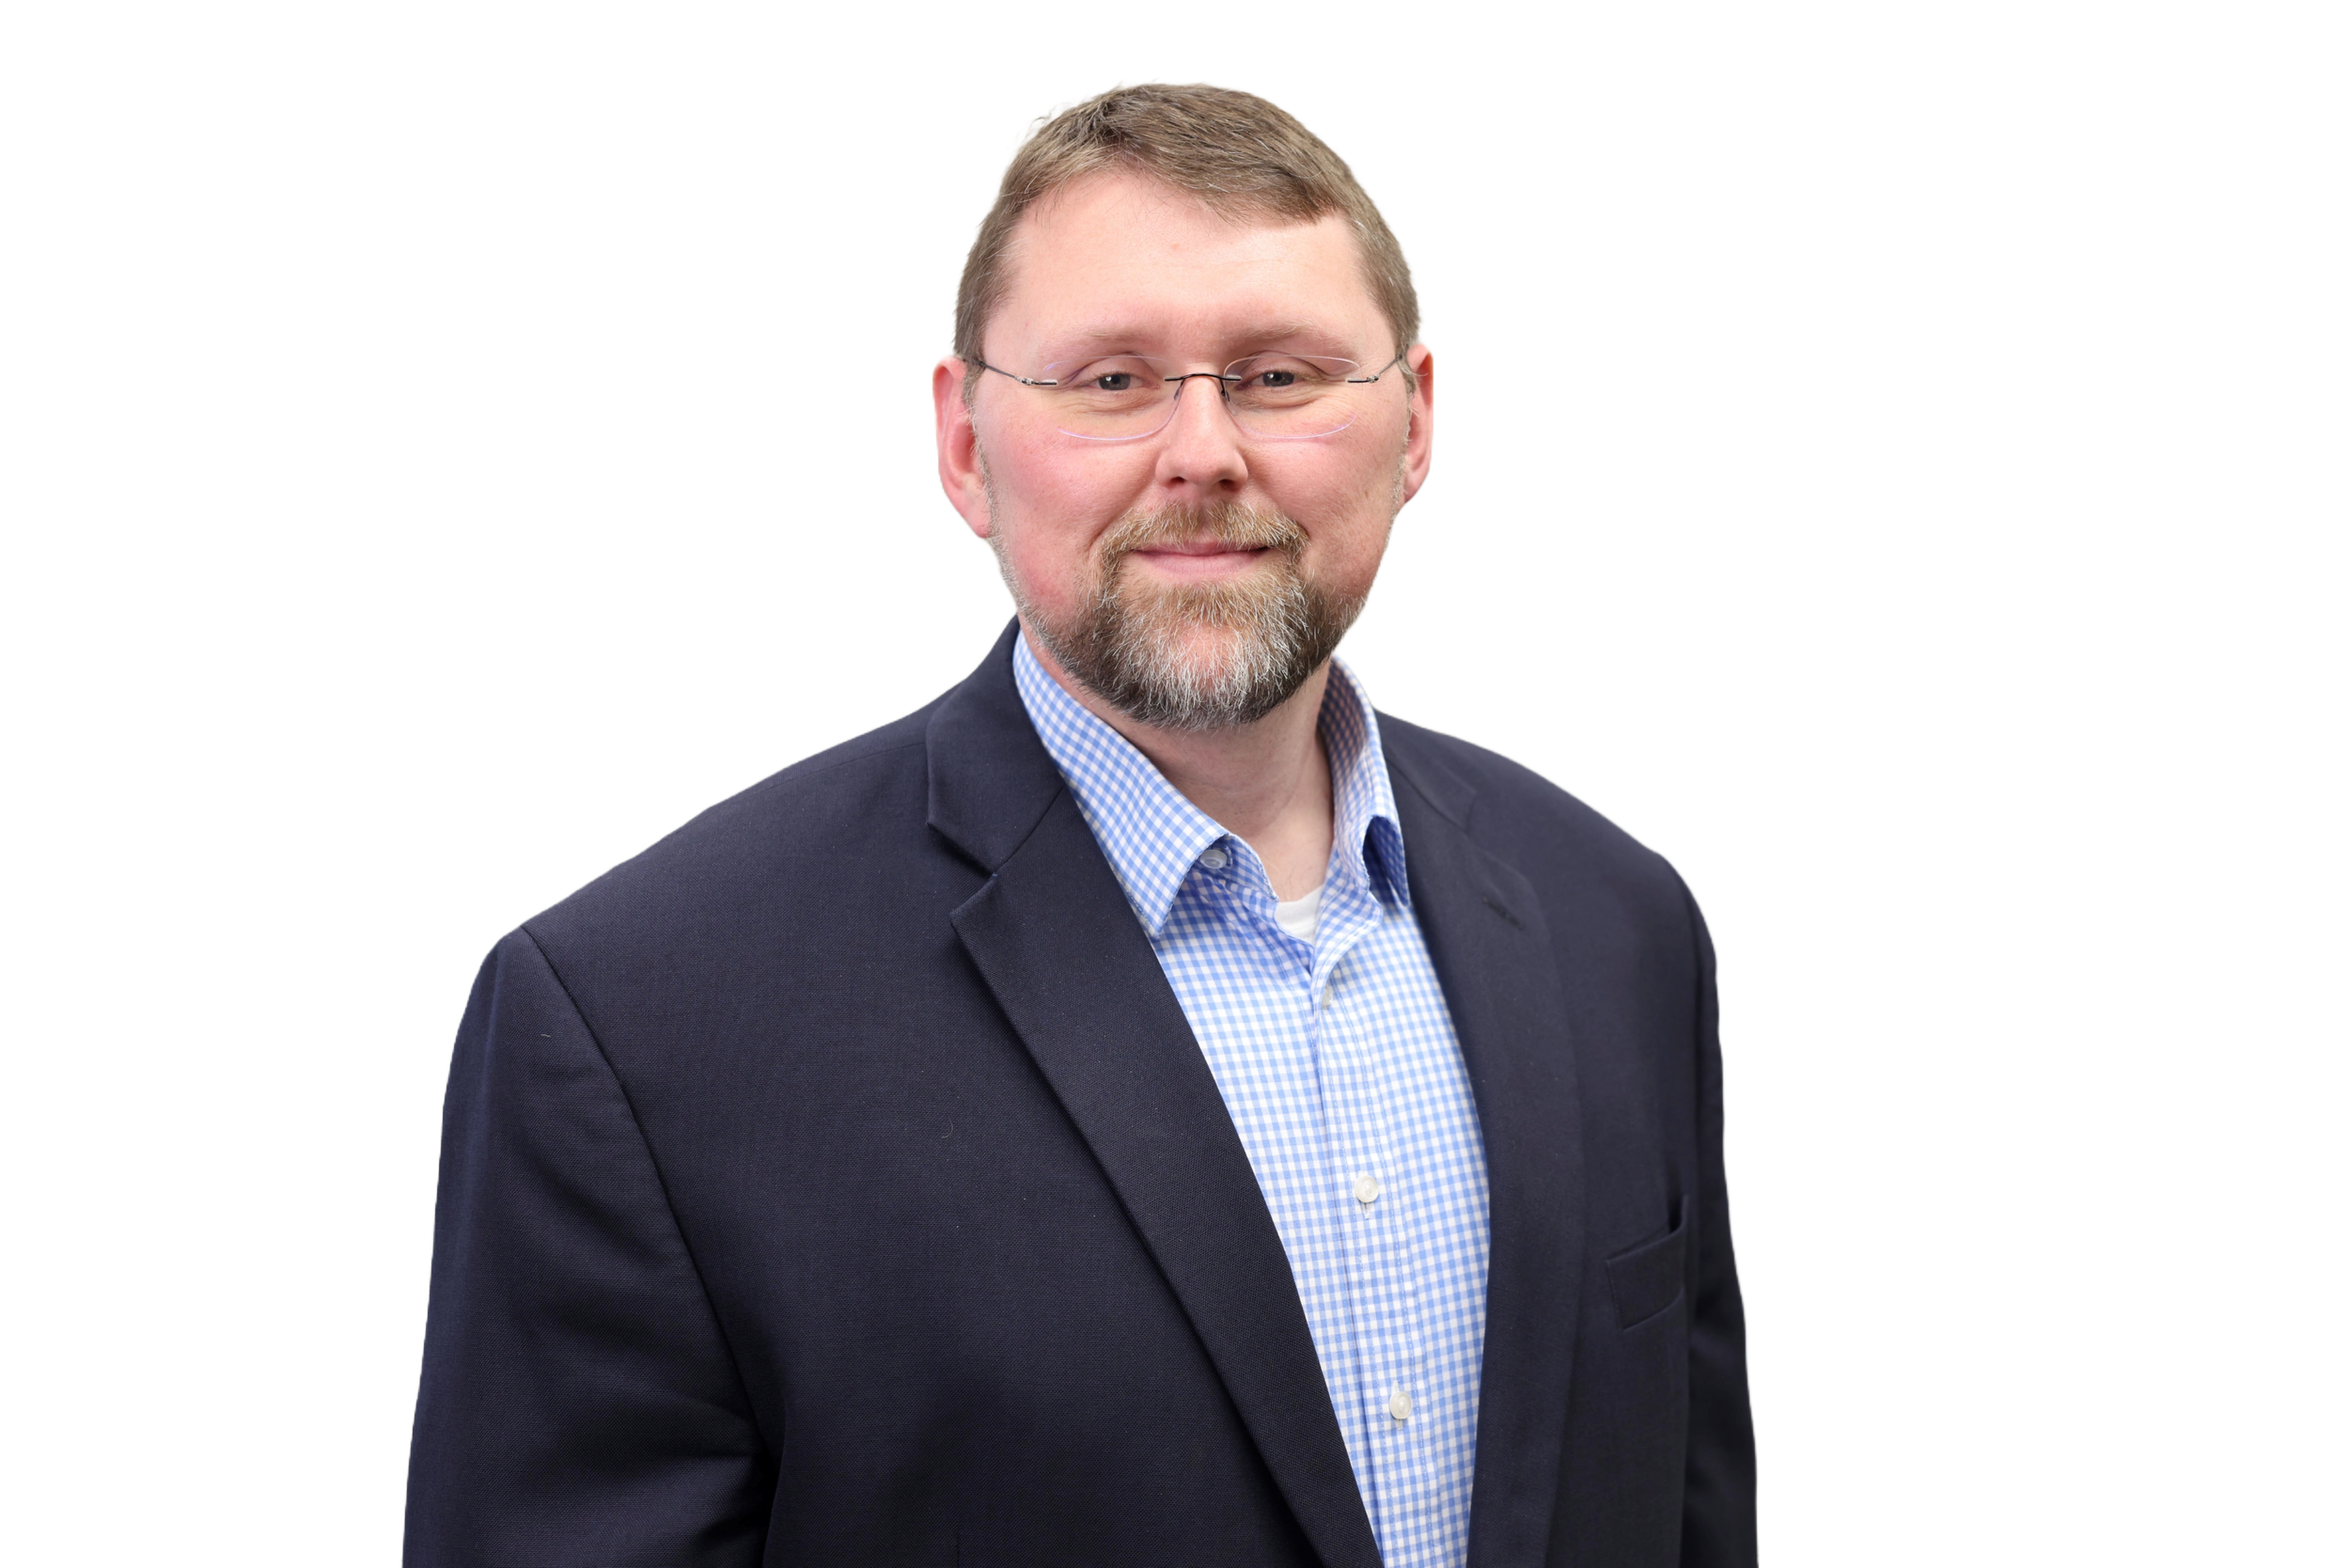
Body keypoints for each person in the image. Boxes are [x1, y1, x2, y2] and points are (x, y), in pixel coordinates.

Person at [404, 79, 1756, 1567]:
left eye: (1280, 374)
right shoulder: (632, 1020)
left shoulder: (1619, 921)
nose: (1202, 452)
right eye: (1111, 380)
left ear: (1418, 421)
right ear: (964, 444)